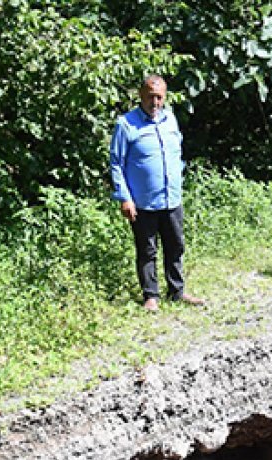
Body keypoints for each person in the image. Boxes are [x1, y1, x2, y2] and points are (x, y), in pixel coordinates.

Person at [109, 75, 204, 311]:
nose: (155, 101)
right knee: (147, 249)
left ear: (165, 97)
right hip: (142, 202)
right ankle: (151, 296)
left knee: (175, 246)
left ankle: (177, 291)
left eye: (159, 97)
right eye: (151, 96)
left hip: (171, 198)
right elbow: (116, 164)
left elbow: (177, 152)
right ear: (141, 95)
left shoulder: (170, 119)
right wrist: (125, 197)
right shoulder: (126, 124)